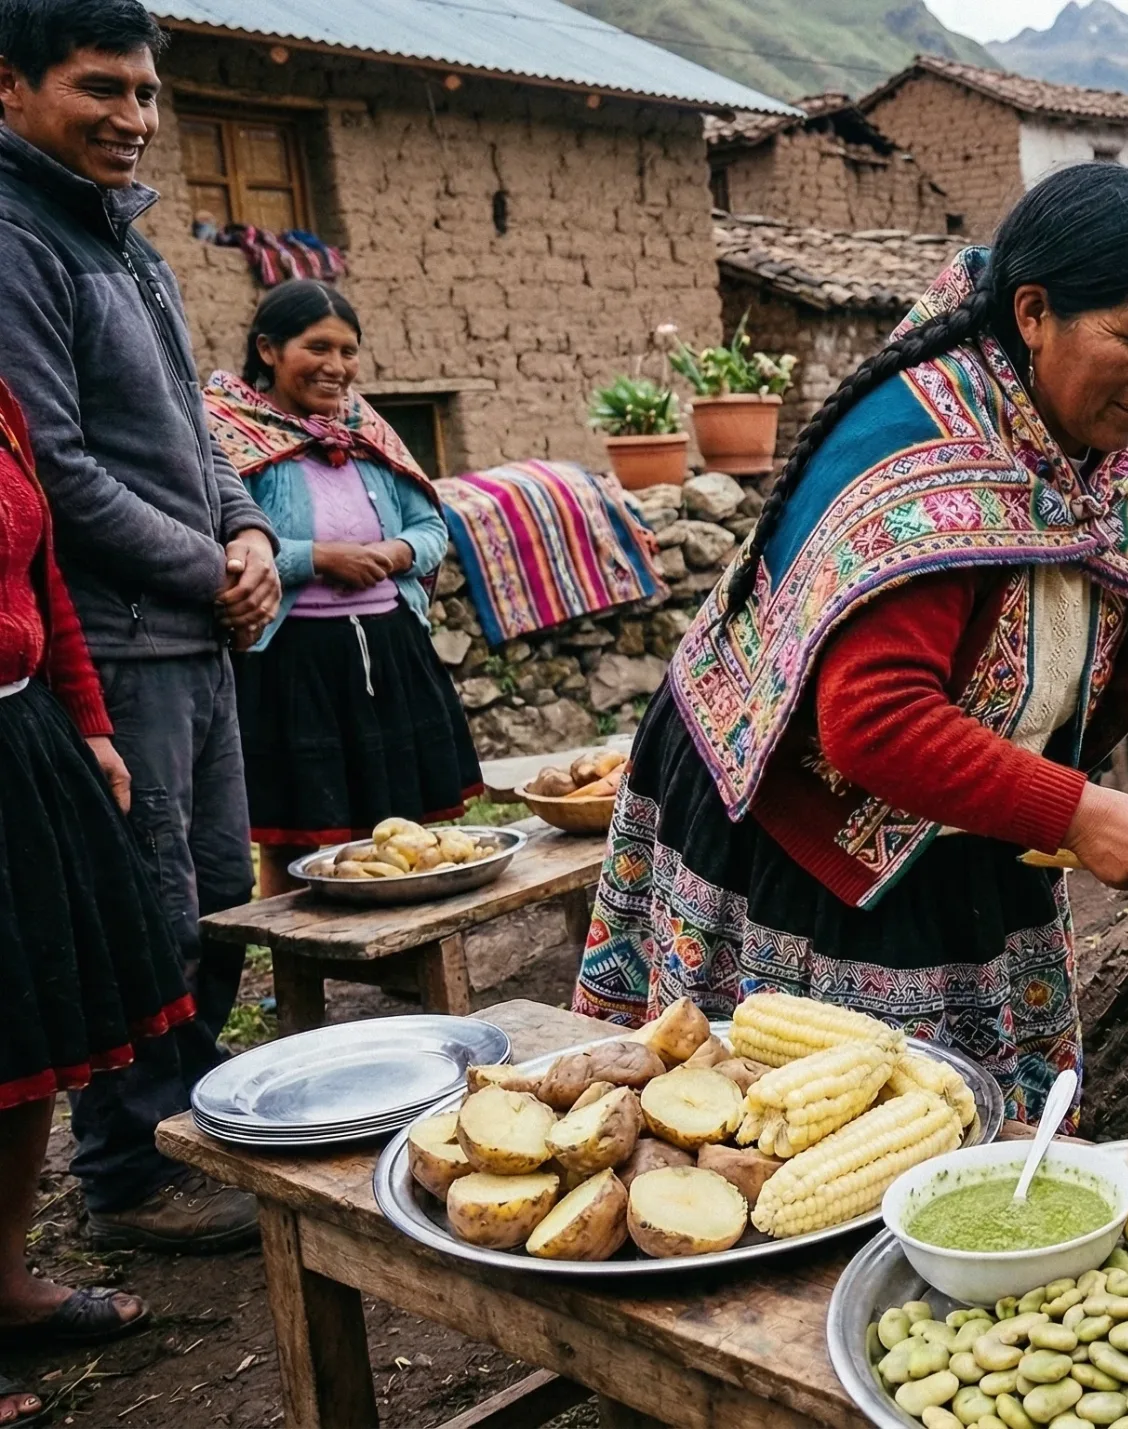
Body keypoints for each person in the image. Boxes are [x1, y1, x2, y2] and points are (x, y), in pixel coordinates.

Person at [572, 164, 1128, 1123]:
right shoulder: (919, 448)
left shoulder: (1120, 462)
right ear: (1033, 313)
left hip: (975, 806)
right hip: (796, 818)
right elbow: (874, 723)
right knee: (801, 1135)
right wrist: (1082, 813)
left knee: (967, 1126)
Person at [0, 0, 264, 1249]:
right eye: (101, 88)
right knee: (151, 903)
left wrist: (250, 532)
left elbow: (195, 430)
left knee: (215, 891)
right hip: (114, 641)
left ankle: (191, 1122)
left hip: (194, 631)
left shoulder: (128, 249)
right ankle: (129, 1172)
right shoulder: (13, 241)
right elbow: (52, 466)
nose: (135, 118)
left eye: (147, 94)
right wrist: (211, 566)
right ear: (9, 85)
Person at [0, 374, 182, 1425]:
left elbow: (42, 574)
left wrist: (88, 718)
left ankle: (3, 1280)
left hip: (20, 739)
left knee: (26, 1033)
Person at [205, 282, 480, 894]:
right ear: (269, 349)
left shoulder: (366, 431)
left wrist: (395, 551)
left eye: (348, 351)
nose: (337, 367)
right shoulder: (225, 436)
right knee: (296, 833)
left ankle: (404, 962)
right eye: (318, 347)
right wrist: (318, 558)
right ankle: (299, 976)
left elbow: (430, 525)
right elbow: (218, 538)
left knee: (403, 822)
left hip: (390, 647)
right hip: (292, 658)